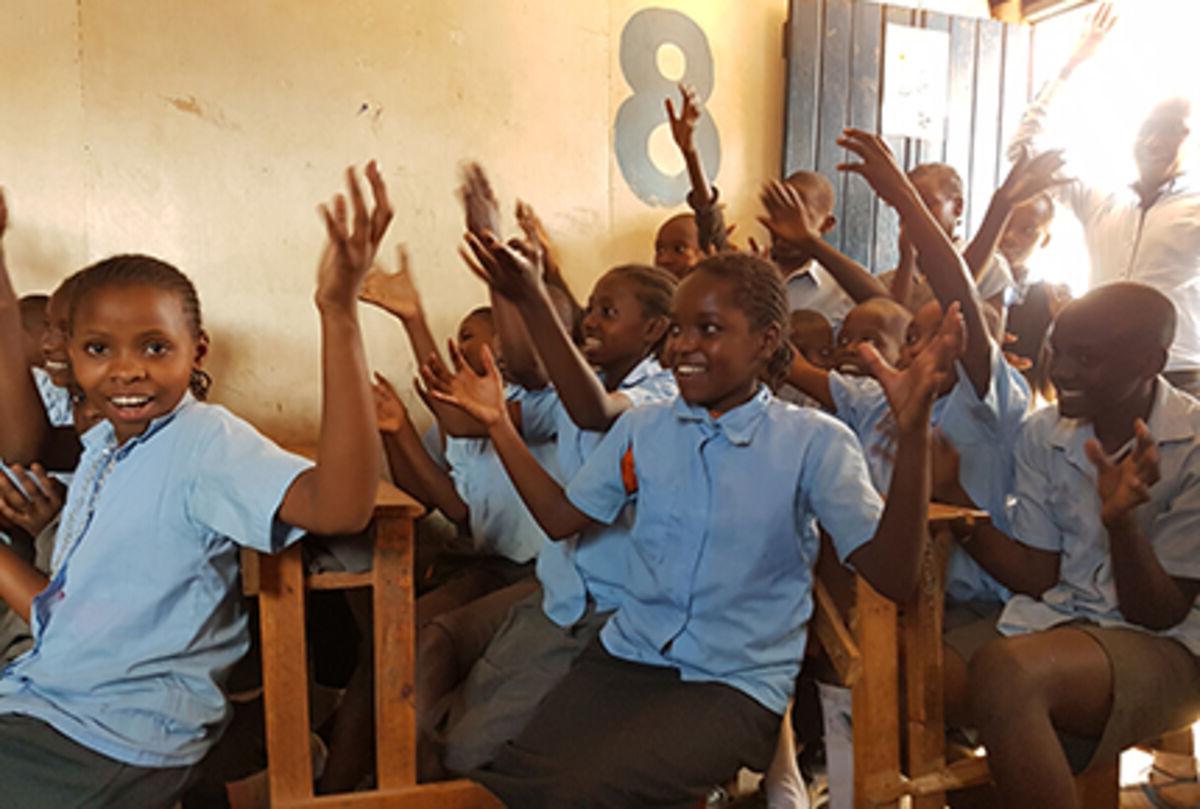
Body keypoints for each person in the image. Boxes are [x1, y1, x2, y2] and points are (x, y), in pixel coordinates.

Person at [425, 251, 960, 807]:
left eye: (709, 329)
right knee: (515, 778)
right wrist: (495, 424)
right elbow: (562, 518)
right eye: (678, 330)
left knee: (582, 791)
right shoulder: (645, 428)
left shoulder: (813, 443)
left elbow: (894, 576)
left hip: (734, 682)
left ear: (765, 340)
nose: (683, 346)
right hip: (627, 656)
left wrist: (914, 430)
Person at [0, 164, 389, 808]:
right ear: (69, 356)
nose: (127, 370)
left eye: (155, 348)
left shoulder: (205, 442)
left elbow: (341, 507)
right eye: (100, 349)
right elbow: (76, 616)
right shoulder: (105, 451)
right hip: (51, 700)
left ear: (197, 351)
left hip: (116, 734)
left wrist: (337, 311)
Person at [417, 219, 678, 776]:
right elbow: (495, 407)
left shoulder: (662, 396)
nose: (591, 321)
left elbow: (593, 415)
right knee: (451, 726)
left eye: (609, 312)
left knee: (474, 752)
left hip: (614, 611)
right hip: (558, 595)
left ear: (654, 328)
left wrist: (530, 296)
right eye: (593, 309)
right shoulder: (580, 384)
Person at [949, 282, 1200, 809]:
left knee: (1008, 675)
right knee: (919, 675)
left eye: (1085, 358)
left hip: (1172, 645)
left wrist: (1123, 523)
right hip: (1061, 620)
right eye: (1056, 351)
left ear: (1151, 360)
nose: (1060, 371)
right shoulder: (1045, 434)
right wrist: (953, 502)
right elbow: (1040, 575)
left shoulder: (1193, 445)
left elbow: (1159, 611)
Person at [1009, 3, 1200, 394]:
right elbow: (1024, 154)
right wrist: (1070, 67)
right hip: (1104, 371)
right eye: (1148, 129)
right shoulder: (1101, 199)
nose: (1155, 141)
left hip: (1180, 374)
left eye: (1173, 132)